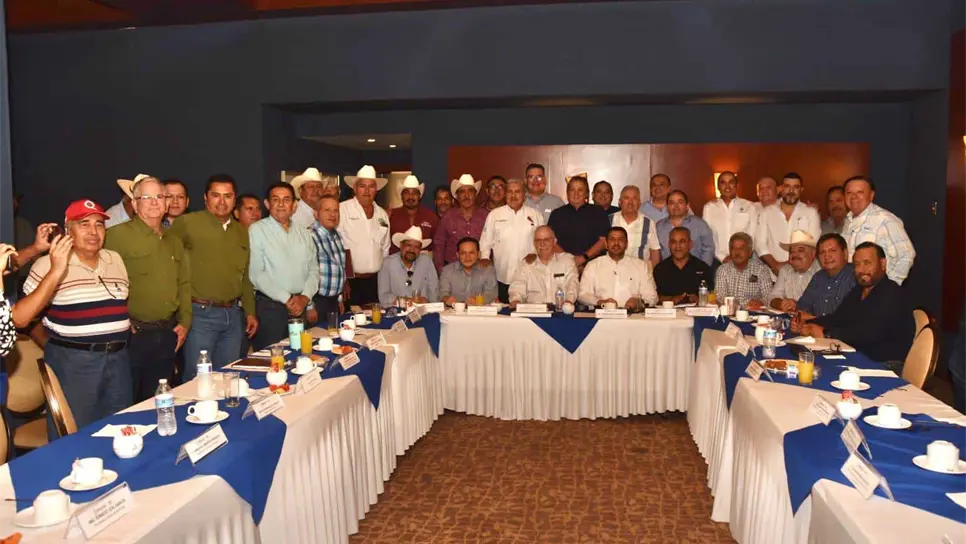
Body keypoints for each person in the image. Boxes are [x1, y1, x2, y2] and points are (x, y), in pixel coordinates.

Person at [24, 200, 132, 434]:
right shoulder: (47, 265)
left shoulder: (115, 259)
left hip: (118, 360)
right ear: (67, 230)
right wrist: (63, 347)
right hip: (75, 363)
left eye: (99, 225)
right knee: (75, 436)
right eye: (84, 224)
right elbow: (26, 319)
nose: (93, 232)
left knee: (121, 430)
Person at [105, 176, 190, 403]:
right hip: (133, 336)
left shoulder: (174, 240)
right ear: (134, 204)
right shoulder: (115, 236)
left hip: (167, 333)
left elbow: (183, 283)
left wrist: (185, 322)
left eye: (159, 197)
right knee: (127, 401)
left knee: (158, 401)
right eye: (146, 197)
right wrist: (120, 316)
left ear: (166, 203)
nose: (154, 203)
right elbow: (102, 280)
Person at [168, 174, 258, 376]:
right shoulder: (187, 223)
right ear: (205, 198)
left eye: (227, 196)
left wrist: (250, 312)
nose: (222, 201)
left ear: (234, 199)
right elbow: (169, 266)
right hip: (200, 315)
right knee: (198, 379)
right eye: (216, 195)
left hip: (234, 316)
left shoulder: (241, 231)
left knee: (229, 377)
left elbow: (243, 275)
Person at [796, 242, 914, 365]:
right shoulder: (858, 291)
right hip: (855, 356)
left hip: (884, 365)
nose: (861, 270)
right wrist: (807, 324)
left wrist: (826, 334)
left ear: (882, 264)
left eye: (867, 263)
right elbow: (838, 318)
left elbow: (868, 332)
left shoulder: (891, 293)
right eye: (857, 264)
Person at [248, 182, 320, 350]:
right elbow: (257, 274)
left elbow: (314, 270)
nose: (281, 204)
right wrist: (287, 299)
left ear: (294, 205)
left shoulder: (304, 233)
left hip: (300, 306)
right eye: (276, 199)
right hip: (270, 309)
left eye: (286, 199)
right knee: (272, 362)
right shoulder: (257, 230)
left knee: (302, 358)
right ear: (267, 204)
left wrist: (305, 298)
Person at [841, 176, 915, 285]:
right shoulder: (848, 222)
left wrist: (888, 286)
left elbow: (907, 255)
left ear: (871, 195)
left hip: (877, 291)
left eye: (860, 192)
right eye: (849, 193)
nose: (854, 197)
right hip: (854, 290)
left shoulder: (885, 219)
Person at [479, 178, 544, 302]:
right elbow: (485, 240)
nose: (513, 196)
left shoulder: (535, 215)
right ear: (505, 194)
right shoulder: (494, 214)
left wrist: (535, 253)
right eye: (510, 192)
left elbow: (543, 241)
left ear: (524, 195)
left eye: (517, 192)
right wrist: (485, 257)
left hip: (529, 275)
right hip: (501, 275)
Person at [338, 165, 390, 306]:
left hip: (376, 281)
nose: (367, 191)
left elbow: (385, 249)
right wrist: (343, 280)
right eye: (362, 186)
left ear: (376, 189)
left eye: (371, 186)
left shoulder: (382, 215)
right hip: (350, 282)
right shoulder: (342, 210)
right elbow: (337, 247)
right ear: (355, 188)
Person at [755, 173, 821, 276]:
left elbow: (813, 244)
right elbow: (760, 244)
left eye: (796, 187)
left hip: (803, 275)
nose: (791, 191)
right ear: (781, 188)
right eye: (787, 186)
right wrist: (775, 265)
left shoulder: (810, 213)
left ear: (801, 190)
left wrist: (787, 265)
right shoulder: (766, 213)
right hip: (773, 275)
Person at [578, 227, 658, 311]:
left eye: (620, 239)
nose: (616, 243)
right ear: (606, 244)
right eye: (612, 239)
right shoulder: (593, 265)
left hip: (633, 317)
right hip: (601, 317)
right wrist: (600, 302)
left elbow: (652, 297)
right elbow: (582, 295)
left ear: (626, 244)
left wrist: (639, 302)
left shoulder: (640, 266)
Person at [547, 176, 610, 269]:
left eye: (580, 190)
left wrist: (583, 258)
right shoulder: (556, 214)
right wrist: (570, 261)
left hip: (594, 267)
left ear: (586, 194)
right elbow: (551, 241)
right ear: (567, 193)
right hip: (563, 267)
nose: (576, 193)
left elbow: (603, 241)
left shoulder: (598, 212)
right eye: (572, 189)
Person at [507, 226, 578, 308]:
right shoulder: (526, 264)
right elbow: (517, 286)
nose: (542, 243)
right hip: (534, 313)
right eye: (538, 240)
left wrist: (569, 301)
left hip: (561, 311)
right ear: (534, 243)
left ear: (554, 242)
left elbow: (573, 284)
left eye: (546, 240)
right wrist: (516, 300)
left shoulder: (567, 261)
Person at [434, 174, 489, 272]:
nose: (466, 195)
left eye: (470, 191)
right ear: (457, 196)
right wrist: (440, 270)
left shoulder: (486, 216)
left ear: (475, 194)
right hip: (452, 269)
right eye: (462, 192)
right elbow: (439, 243)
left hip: (479, 270)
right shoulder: (448, 216)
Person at [702, 171, 758, 265]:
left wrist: (740, 256)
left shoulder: (750, 206)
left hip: (745, 260)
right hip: (718, 261)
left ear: (736, 185)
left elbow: (752, 236)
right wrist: (722, 257)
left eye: (731, 182)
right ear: (718, 187)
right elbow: (708, 237)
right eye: (723, 183)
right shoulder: (709, 208)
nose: (727, 186)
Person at [796, 233, 856, 318]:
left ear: (845, 253)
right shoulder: (818, 277)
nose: (827, 256)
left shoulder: (855, 276)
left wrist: (815, 321)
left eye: (832, 250)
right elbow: (802, 307)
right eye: (822, 252)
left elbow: (853, 318)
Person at [378, 226, 439, 306]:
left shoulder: (426, 261)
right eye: (408, 245)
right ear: (401, 245)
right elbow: (383, 296)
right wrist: (405, 300)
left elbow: (434, 291)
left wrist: (430, 303)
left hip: (423, 311)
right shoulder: (387, 263)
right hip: (397, 313)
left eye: (416, 247)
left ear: (420, 249)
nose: (412, 250)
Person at [309, 195, 347, 321]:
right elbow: (303, 273)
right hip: (316, 302)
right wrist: (309, 306)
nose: (332, 214)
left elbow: (340, 268)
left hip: (333, 302)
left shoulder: (337, 236)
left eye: (336, 211)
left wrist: (339, 299)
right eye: (327, 210)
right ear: (316, 213)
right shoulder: (309, 237)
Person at [654, 226, 714, 304]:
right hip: (669, 313)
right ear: (668, 244)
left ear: (690, 244)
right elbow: (654, 298)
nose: (678, 246)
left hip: (696, 313)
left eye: (682, 241)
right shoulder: (660, 269)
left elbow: (711, 296)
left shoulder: (702, 268)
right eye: (673, 242)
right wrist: (671, 299)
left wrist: (699, 299)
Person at [714, 232, 773, 308]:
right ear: (729, 251)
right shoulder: (723, 270)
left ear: (750, 252)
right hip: (730, 313)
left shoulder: (761, 270)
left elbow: (769, 297)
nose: (737, 252)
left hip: (754, 314)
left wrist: (760, 302)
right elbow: (720, 297)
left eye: (741, 248)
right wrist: (738, 306)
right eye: (733, 248)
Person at [656, 190, 715, 265]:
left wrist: (702, 271)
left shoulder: (699, 224)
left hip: (695, 271)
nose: (676, 206)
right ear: (667, 206)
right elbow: (656, 252)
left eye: (680, 202)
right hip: (668, 272)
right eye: (672, 203)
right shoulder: (659, 226)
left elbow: (708, 249)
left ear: (687, 206)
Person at [767, 230, 821, 312]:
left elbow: (822, 304)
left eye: (800, 250)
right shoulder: (785, 270)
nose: (795, 254)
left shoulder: (821, 272)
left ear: (813, 254)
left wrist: (798, 305)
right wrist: (781, 303)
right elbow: (773, 296)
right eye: (792, 251)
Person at [610, 185, 660, 267]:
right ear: (620, 202)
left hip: (641, 273)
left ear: (639, 202)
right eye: (626, 198)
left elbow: (654, 250)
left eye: (634, 198)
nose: (630, 202)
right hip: (614, 271)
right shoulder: (609, 220)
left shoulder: (648, 222)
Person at [439, 237, 498, 305]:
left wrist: (477, 300)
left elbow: (491, 295)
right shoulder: (447, 270)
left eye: (471, 253)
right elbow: (442, 294)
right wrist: (446, 299)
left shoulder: (488, 271)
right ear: (457, 255)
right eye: (463, 253)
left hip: (481, 313)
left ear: (478, 254)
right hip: (454, 312)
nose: (467, 257)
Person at [389, 174, 438, 255]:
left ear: (420, 196)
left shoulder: (431, 217)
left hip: (423, 263)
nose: (410, 197)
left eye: (414, 193)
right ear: (401, 196)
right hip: (396, 263)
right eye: (406, 193)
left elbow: (437, 245)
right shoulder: (391, 215)